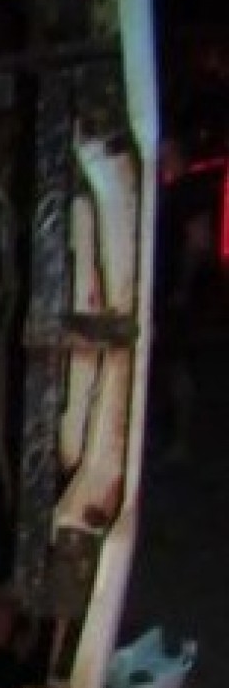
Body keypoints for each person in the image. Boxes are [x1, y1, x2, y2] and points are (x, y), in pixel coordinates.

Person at [152, 133, 217, 466]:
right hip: (168, 291)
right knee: (168, 363)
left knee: (177, 364)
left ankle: (181, 439)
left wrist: (181, 287)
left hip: (180, 295)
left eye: (164, 153)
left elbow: (198, 243)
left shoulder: (189, 193)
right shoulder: (170, 192)